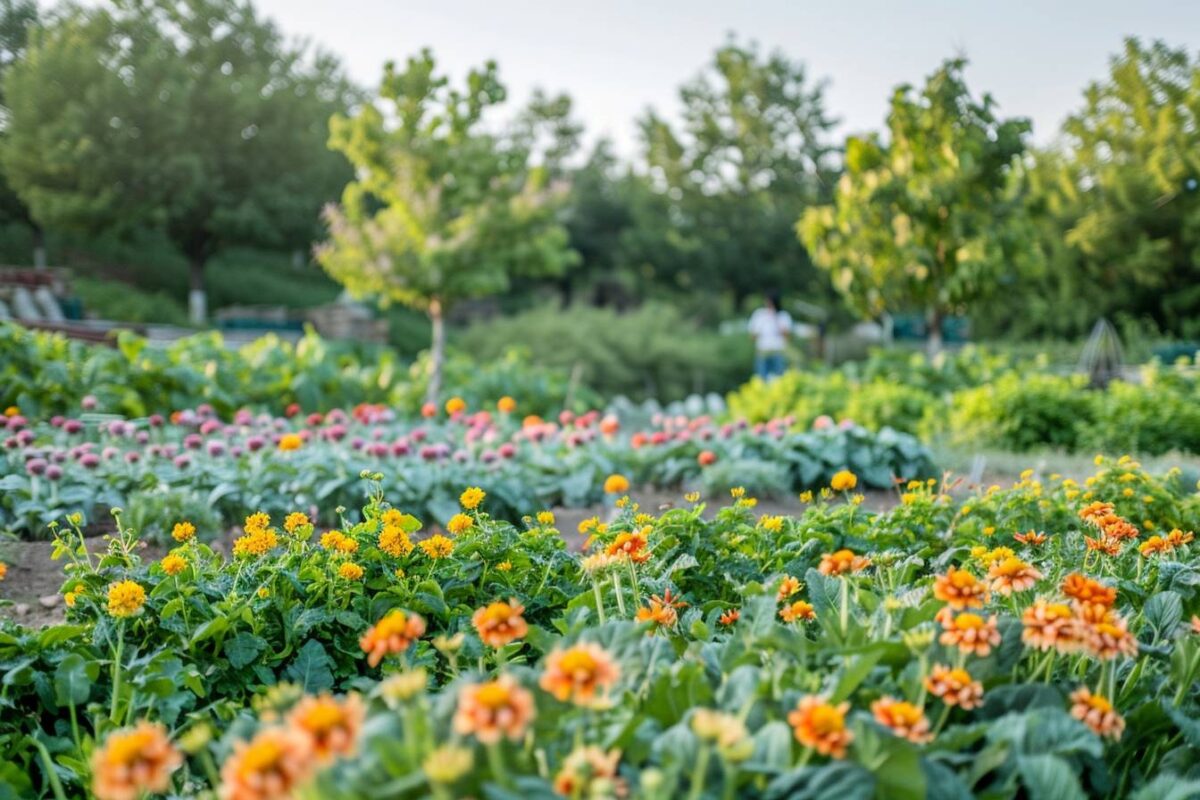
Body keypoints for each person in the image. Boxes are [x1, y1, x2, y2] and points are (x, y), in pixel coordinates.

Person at [748, 291, 791, 380]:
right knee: (761, 379)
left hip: (777, 352)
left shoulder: (783, 315)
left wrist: (775, 317)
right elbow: (752, 336)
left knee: (779, 379)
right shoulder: (759, 314)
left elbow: (786, 335)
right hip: (763, 352)